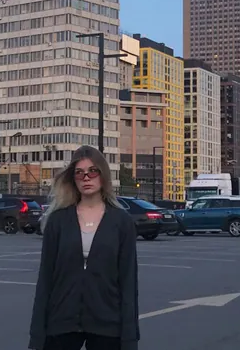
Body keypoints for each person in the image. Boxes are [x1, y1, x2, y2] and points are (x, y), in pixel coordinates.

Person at [29, 145, 140, 350]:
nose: (86, 178)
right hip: (62, 322)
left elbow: (128, 283)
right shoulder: (58, 221)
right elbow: (45, 279)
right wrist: (37, 336)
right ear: (73, 179)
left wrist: (129, 339)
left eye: (92, 171)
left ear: (103, 175)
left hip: (107, 324)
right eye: (79, 173)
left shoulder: (121, 222)